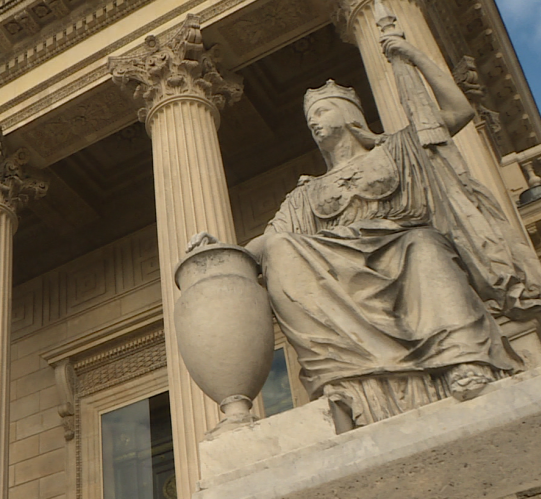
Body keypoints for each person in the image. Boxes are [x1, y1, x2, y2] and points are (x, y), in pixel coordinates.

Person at [194, 36, 541, 431]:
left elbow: (458, 111)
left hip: (402, 246)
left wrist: (414, 57)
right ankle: (344, 379)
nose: (315, 120)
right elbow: (268, 242)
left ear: (351, 117)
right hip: (338, 268)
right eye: (312, 117)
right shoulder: (309, 193)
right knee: (281, 249)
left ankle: (464, 358)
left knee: (423, 247)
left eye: (323, 110)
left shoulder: (398, 150)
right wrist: (223, 252)